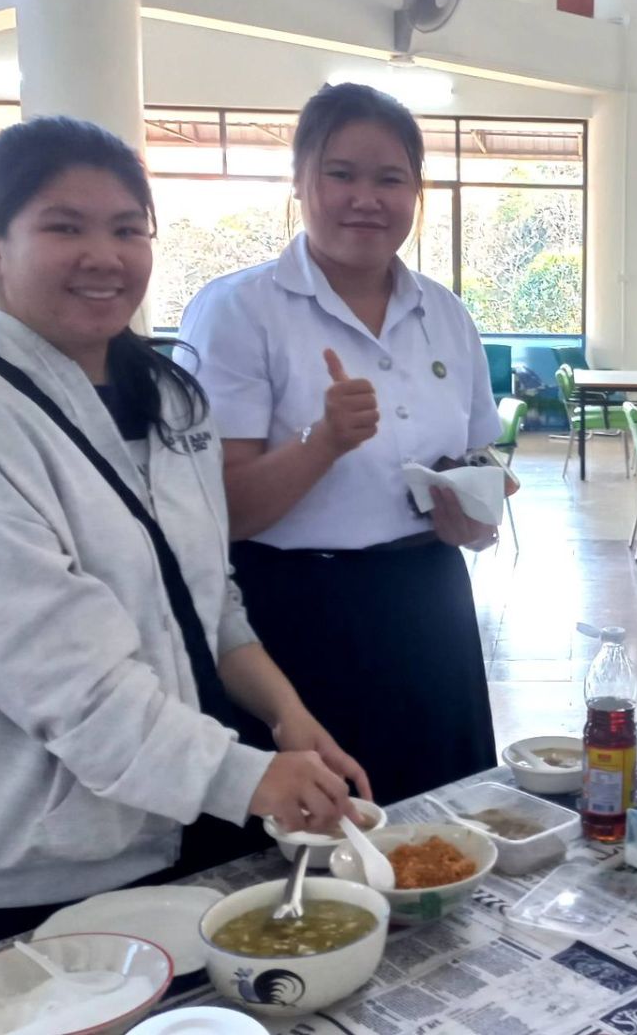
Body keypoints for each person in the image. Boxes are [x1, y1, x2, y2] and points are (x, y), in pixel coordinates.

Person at [0, 117, 367, 973]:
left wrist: (286, 716)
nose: (104, 256)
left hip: (157, 829)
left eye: (127, 229)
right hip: (1, 861)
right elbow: (55, 666)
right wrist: (243, 778)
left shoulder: (168, 398)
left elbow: (207, 599)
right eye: (64, 226)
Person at [177, 83, 508, 804]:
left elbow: (475, 457)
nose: (367, 198)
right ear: (299, 181)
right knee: (315, 837)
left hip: (429, 605)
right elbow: (215, 512)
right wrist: (321, 443)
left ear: (416, 191)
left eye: (390, 178)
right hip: (292, 618)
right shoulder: (238, 311)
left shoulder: (445, 313)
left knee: (441, 823)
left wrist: (474, 511)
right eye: (341, 174)